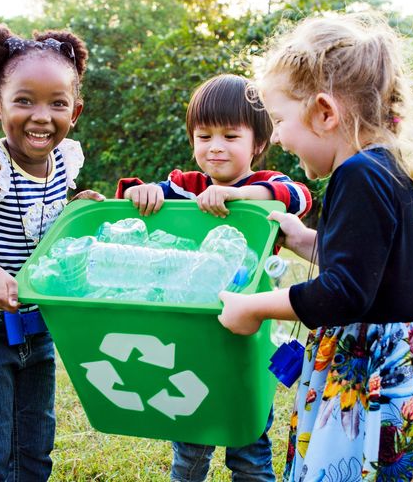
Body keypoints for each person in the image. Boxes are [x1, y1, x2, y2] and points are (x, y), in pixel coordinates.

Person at [218, 14, 413, 481]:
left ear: (324, 112)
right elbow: (367, 266)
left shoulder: (357, 174)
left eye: (280, 121)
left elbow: (344, 292)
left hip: (379, 369)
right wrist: (302, 239)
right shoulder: (381, 164)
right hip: (404, 356)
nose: (276, 136)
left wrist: (254, 307)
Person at [116, 74, 312, 482]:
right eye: (203, 136)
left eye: (230, 135)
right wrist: (144, 193)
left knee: (250, 449)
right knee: (190, 443)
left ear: (258, 143)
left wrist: (237, 195)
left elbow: (296, 195)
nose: (215, 147)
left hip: (247, 339)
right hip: (190, 335)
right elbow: (140, 200)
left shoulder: (264, 186)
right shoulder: (187, 187)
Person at [0, 23, 104, 481]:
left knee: (34, 450)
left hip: (37, 325)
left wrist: (75, 211)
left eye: (58, 103)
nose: (41, 116)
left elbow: (43, 229)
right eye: (24, 100)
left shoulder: (65, 160)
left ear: (76, 111)